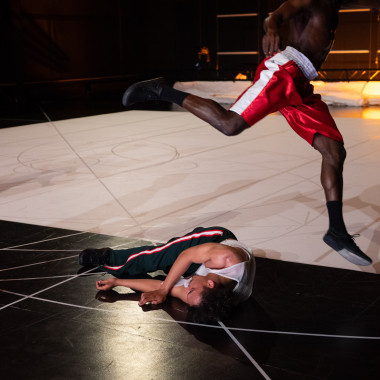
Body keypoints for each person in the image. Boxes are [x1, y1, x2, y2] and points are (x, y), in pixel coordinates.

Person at [121, 0, 379, 266]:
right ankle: (161, 89)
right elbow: (276, 14)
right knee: (229, 124)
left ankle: (336, 231)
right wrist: (271, 29)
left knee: (335, 151)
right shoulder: (312, 0)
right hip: (284, 70)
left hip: (301, 83)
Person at [79, 226, 256, 321]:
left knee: (169, 268)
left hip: (201, 266)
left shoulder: (200, 297)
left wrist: (118, 282)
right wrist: (164, 290)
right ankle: (108, 258)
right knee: (159, 257)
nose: (187, 290)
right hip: (215, 239)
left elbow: (161, 287)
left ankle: (181, 240)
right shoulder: (226, 258)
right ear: (210, 284)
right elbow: (186, 256)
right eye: (191, 290)